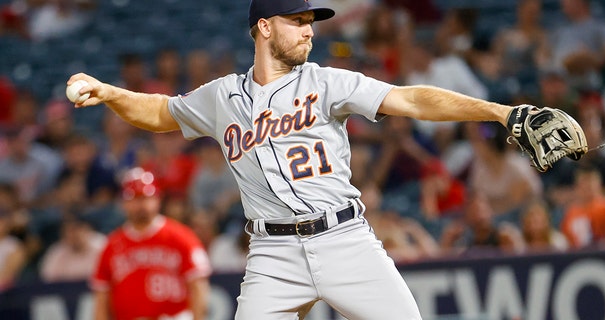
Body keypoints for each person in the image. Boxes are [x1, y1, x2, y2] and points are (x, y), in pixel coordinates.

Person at [67, 1, 551, 318]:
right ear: (263, 27)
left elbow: (411, 99)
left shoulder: (326, 81)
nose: (308, 32)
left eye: (310, 23)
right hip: (272, 255)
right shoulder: (222, 97)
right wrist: (110, 92)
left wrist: (499, 111)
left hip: (345, 238)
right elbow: (160, 112)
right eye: (297, 21)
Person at [90, 167, 211, 320]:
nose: (141, 205)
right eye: (134, 199)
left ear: (157, 199)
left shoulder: (181, 237)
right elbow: (101, 298)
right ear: (123, 203)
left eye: (145, 198)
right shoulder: (112, 245)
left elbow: (199, 287)